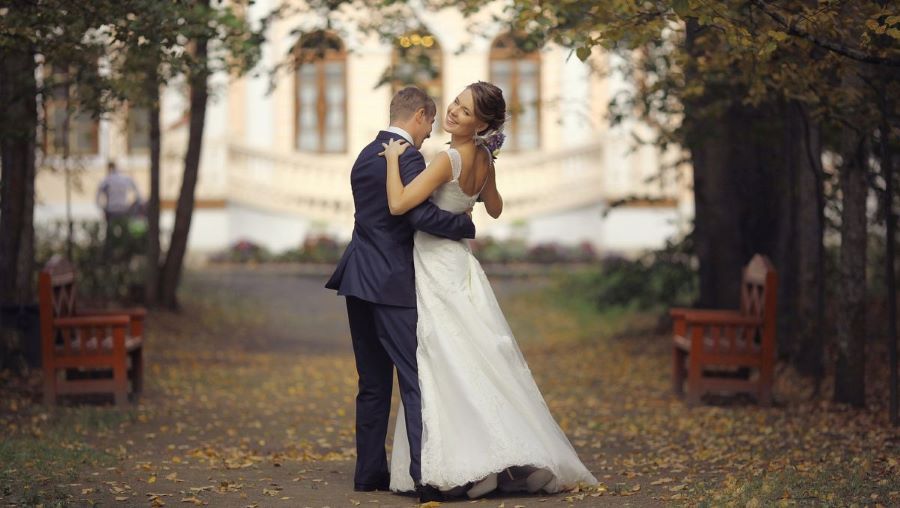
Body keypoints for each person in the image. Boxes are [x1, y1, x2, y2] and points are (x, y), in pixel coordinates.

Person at [381, 82, 598, 500]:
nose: (454, 113)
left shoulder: (447, 158)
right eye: (456, 104)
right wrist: (476, 187)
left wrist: (394, 160)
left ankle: (483, 463)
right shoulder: (483, 158)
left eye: (464, 112)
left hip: (436, 266)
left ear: (482, 123)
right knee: (478, 358)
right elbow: (495, 207)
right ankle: (506, 457)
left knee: (447, 361)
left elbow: (399, 204)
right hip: (462, 264)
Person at [325, 87, 476, 503]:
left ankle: (368, 473)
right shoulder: (408, 157)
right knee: (415, 378)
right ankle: (424, 476)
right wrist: (465, 224)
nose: (430, 132)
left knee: (372, 382)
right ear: (421, 116)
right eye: (430, 123)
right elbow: (419, 214)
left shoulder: (364, 154)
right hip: (392, 285)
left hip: (358, 278)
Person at [96, 161, 143, 260]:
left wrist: (102, 208)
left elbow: (98, 195)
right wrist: (133, 207)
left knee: (110, 237)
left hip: (111, 211)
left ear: (109, 168)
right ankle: (125, 257)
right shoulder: (125, 179)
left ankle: (109, 258)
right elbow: (138, 195)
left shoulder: (107, 180)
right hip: (123, 210)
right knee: (125, 235)